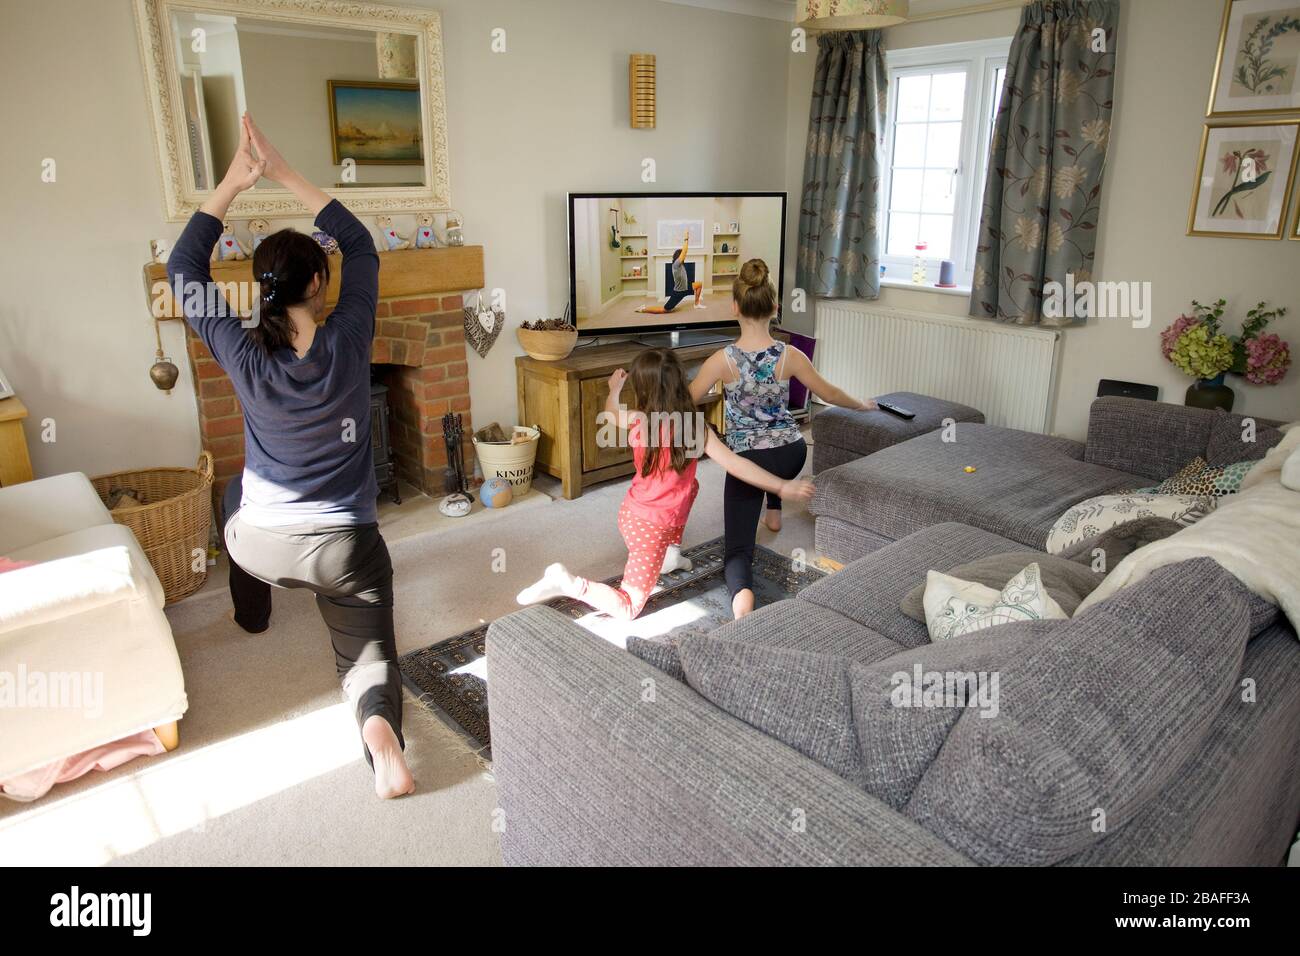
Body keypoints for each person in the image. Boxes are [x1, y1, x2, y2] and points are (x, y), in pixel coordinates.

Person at [166, 113, 412, 799]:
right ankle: (380, 740)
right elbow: (361, 244)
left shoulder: (242, 354)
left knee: (232, 494)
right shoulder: (351, 334)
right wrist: (282, 171)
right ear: (318, 286)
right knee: (365, 656)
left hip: (262, 546)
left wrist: (230, 186)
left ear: (264, 289)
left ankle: (253, 612)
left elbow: (181, 267)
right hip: (346, 548)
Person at [516, 348, 814, 620]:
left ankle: (670, 554)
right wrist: (780, 486)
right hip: (649, 527)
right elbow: (738, 465)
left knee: (688, 488)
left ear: (644, 392)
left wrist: (614, 389)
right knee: (628, 608)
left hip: (635, 514)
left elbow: (609, 413)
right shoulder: (697, 429)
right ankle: (566, 582)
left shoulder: (638, 418)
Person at [690, 258, 876, 620]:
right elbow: (830, 392)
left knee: (737, 552)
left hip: (751, 462)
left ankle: (743, 613)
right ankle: (774, 510)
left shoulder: (722, 360)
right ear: (775, 308)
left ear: (735, 308)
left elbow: (687, 398)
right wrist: (862, 405)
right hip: (792, 454)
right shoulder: (790, 355)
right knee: (774, 461)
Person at [635, 229, 705, 313]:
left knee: (699, 285)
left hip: (686, 288)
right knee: (664, 310)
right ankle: (643, 309)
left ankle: (696, 304)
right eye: (682, 255)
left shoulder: (681, 264)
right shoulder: (676, 265)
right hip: (678, 293)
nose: (684, 257)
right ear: (678, 257)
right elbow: (684, 252)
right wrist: (686, 238)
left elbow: (684, 254)